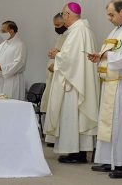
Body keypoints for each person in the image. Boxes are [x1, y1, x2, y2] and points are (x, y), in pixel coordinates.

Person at [88, 0, 122, 178]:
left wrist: (106, 56)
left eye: (112, 14)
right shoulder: (116, 30)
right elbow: (110, 52)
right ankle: (110, 160)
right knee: (110, 125)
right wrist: (99, 56)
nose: (109, 18)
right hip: (112, 83)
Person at [43, 2, 99, 164]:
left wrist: (57, 55)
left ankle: (77, 153)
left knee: (72, 116)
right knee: (74, 117)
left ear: (68, 14)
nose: (63, 17)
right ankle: (75, 151)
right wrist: (60, 55)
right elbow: (75, 56)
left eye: (63, 14)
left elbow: (70, 58)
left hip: (74, 83)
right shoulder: (82, 30)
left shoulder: (78, 31)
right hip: (75, 78)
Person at [40, 12, 68, 146]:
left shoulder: (72, 36)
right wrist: (53, 53)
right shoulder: (62, 36)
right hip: (54, 76)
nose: (56, 28)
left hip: (62, 78)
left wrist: (56, 62)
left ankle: (57, 137)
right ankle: (52, 137)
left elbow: (69, 58)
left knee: (60, 109)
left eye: (58, 25)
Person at [0, 20, 27, 100]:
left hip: (13, 80)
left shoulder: (20, 45)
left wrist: (1, 68)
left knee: (11, 104)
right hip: (1, 79)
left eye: (3, 31)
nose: (1, 33)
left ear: (12, 31)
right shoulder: (3, 44)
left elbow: (19, 63)